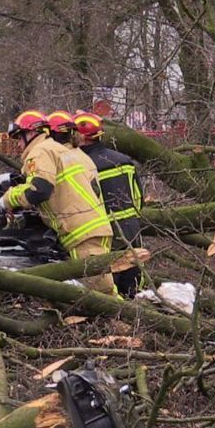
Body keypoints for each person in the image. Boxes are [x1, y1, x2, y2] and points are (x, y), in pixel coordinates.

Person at [0, 110, 115, 293]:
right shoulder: (67, 152)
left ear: (31, 133)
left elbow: (39, 190)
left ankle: (128, 320)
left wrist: (8, 199)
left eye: (19, 138)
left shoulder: (40, 151)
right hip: (93, 228)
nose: (19, 145)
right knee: (98, 290)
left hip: (80, 233)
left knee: (100, 292)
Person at [71, 110, 146, 299]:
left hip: (105, 230)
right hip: (131, 227)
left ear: (82, 138)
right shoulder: (124, 161)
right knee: (132, 279)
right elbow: (138, 197)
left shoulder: (83, 165)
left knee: (108, 281)